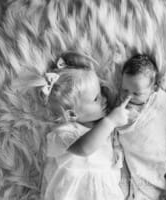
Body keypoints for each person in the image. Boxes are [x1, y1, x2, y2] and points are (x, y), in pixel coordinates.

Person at [38, 52, 132, 200]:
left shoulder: (105, 130)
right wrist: (111, 121)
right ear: (72, 115)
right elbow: (84, 148)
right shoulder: (63, 133)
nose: (104, 99)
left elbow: (117, 159)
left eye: (100, 92)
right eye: (96, 98)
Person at [117, 54, 166, 200]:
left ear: (153, 88)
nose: (128, 97)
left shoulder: (160, 101)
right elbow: (118, 130)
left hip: (154, 156)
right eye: (124, 90)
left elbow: (163, 115)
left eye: (136, 93)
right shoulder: (122, 110)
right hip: (134, 157)